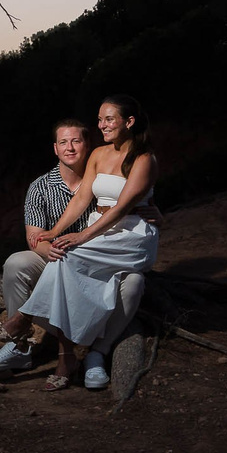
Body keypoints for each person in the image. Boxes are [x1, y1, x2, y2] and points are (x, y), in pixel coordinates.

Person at [19, 94, 162, 390]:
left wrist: (82, 236)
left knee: (69, 255)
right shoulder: (98, 153)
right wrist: (54, 231)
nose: (102, 125)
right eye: (99, 119)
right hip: (102, 230)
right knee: (63, 255)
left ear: (129, 122)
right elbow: (83, 198)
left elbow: (122, 208)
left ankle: (28, 321)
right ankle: (69, 351)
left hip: (131, 235)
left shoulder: (144, 158)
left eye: (109, 119)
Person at [0, 119, 95, 372]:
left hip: (91, 261)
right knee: (17, 263)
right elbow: (35, 238)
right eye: (63, 142)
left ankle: (78, 347)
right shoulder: (40, 187)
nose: (70, 148)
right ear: (55, 148)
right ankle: (19, 348)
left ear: (87, 145)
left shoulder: (99, 181)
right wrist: (50, 250)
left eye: (76, 141)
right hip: (53, 256)